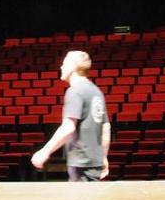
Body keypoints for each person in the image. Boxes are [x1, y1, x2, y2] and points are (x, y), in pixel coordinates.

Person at [31, 51, 111, 181]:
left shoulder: (75, 91)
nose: (61, 67)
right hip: (94, 163)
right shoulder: (97, 92)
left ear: (73, 66)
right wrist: (103, 157)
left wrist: (45, 151)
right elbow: (106, 128)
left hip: (81, 161)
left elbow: (68, 127)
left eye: (64, 63)